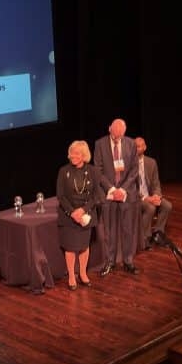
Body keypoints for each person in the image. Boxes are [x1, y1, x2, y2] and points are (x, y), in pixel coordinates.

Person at [93, 118, 140, 276]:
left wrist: (123, 190)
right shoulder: (100, 144)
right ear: (109, 129)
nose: (116, 138)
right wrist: (112, 189)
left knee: (127, 230)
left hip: (126, 194)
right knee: (109, 231)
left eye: (119, 136)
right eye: (114, 135)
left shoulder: (131, 144)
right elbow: (98, 170)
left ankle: (128, 262)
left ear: (123, 134)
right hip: (109, 194)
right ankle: (110, 262)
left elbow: (134, 170)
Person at [56, 140, 103, 290]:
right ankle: (71, 276)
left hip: (85, 215)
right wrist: (72, 212)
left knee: (84, 246)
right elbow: (60, 196)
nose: (72, 156)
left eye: (76, 153)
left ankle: (82, 273)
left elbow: (97, 196)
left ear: (83, 155)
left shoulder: (93, 171)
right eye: (71, 153)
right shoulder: (63, 171)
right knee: (70, 248)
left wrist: (83, 210)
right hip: (68, 216)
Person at [135, 136, 172, 249]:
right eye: (135, 146)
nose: (137, 148)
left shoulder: (151, 162)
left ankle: (158, 234)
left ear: (145, 147)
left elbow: (156, 183)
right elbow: (130, 188)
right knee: (150, 208)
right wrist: (145, 198)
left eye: (139, 146)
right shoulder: (128, 164)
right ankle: (144, 238)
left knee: (167, 205)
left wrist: (156, 196)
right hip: (137, 198)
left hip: (150, 195)